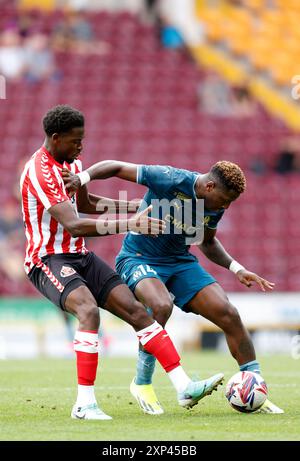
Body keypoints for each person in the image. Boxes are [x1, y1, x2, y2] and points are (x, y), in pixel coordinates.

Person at [20, 105, 224, 420]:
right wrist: (131, 222)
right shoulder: (40, 171)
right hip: (46, 258)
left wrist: (131, 205)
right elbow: (75, 223)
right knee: (87, 310)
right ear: (56, 138)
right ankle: (84, 404)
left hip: (79, 255)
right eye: (75, 141)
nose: (81, 146)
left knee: (136, 313)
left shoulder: (71, 162)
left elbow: (86, 203)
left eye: (82, 140)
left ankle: (184, 385)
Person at [63, 159, 284, 415]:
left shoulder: (215, 205)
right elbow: (113, 166)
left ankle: (256, 387)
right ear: (210, 186)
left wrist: (237, 268)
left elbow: (207, 242)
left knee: (229, 314)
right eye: (224, 200)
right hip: (137, 258)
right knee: (160, 305)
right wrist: (82, 179)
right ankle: (142, 382)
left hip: (179, 262)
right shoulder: (170, 178)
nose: (226, 206)